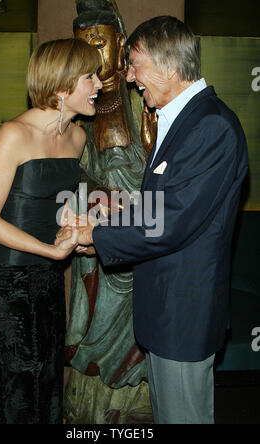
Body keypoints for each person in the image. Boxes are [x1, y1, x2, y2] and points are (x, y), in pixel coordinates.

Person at [57, 16, 249, 424]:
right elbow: (161, 208)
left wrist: (98, 234)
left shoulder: (209, 125)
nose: (129, 77)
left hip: (182, 314)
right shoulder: (183, 119)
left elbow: (171, 220)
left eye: (135, 63)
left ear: (168, 66)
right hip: (165, 314)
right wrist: (107, 223)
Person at [0, 38, 102, 424]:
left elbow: (60, 205)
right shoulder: (13, 134)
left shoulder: (78, 137)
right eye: (90, 77)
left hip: (47, 276)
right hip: (8, 277)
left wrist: (75, 232)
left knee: (48, 375)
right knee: (20, 382)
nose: (99, 84)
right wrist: (52, 252)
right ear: (62, 86)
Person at [62, 0, 152, 424]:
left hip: (141, 229)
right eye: (84, 46)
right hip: (96, 231)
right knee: (95, 309)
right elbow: (70, 178)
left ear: (120, 44)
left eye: (100, 42)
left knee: (135, 314)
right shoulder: (84, 110)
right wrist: (96, 200)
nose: (94, 54)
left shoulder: (142, 105)